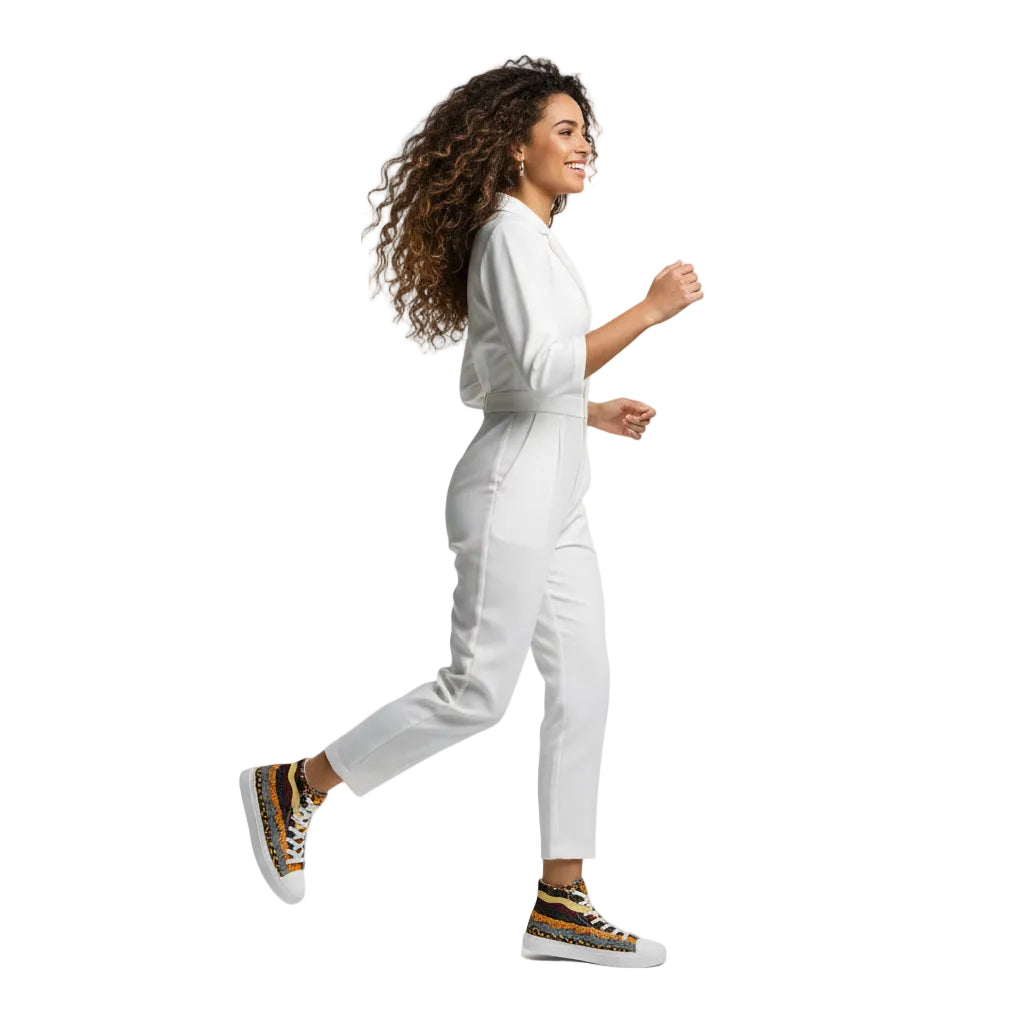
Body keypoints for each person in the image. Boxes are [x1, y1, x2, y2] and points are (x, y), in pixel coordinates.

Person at [239, 56, 702, 969]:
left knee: (587, 683)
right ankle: (296, 786)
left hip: (555, 484)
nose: (583, 146)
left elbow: (499, 378)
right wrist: (648, 312)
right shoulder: (507, 235)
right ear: (514, 142)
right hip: (512, 492)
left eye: (585, 132)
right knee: (478, 692)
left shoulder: (531, 239)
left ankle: (562, 901)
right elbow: (536, 369)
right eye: (564, 130)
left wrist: (591, 412)